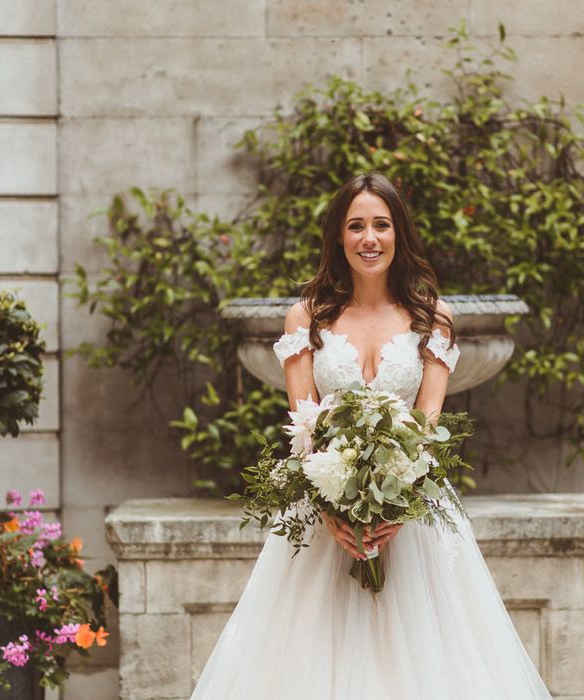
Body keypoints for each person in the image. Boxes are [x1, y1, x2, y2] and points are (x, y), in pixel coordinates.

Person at [191, 173, 552, 699]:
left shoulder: (433, 318)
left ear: (398, 233)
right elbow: (305, 425)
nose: (369, 238)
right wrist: (332, 507)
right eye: (356, 225)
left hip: (412, 515)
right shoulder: (307, 317)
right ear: (339, 237)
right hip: (323, 515)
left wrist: (399, 505)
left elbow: (427, 423)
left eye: (381, 225)